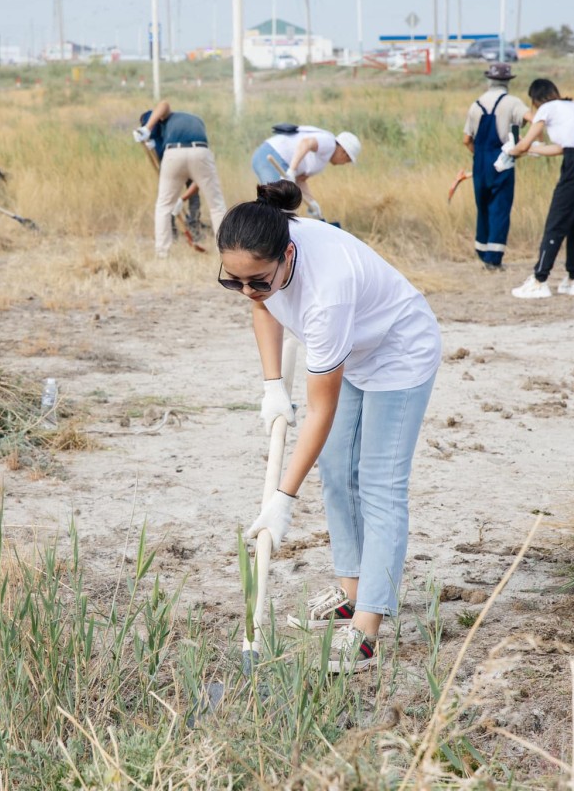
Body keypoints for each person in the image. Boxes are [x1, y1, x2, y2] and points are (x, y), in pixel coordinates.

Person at [218, 180, 441, 674]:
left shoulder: (327, 294)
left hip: (399, 351)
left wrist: (282, 499)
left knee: (380, 484)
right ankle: (350, 589)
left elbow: (319, 410)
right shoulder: (265, 241)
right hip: (354, 348)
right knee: (338, 471)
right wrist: (272, 385)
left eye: (257, 279)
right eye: (233, 281)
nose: (247, 291)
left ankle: (366, 626)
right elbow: (263, 307)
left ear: (288, 256)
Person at [506, 79, 574, 299]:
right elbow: (563, 148)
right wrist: (532, 150)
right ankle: (573, 279)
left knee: (556, 223)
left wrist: (513, 151)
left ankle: (539, 280)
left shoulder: (546, 109)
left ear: (535, 99)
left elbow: (523, 144)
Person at [133, 100, 227, 258]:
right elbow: (199, 179)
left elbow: (163, 103)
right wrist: (181, 199)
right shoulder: (195, 122)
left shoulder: (166, 117)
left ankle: (162, 253)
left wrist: (146, 128)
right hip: (201, 153)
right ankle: (225, 252)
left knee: (163, 205)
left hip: (173, 154)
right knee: (217, 205)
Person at [462, 62, 531, 271]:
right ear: (508, 81)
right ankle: (494, 258)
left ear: (489, 80)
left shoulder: (476, 104)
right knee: (499, 209)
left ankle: (482, 252)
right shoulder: (512, 102)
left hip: (481, 161)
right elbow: (531, 119)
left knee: (482, 207)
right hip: (502, 160)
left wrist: (480, 156)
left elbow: (466, 139)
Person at [250, 126, 360, 221]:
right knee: (279, 207)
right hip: (272, 155)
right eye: (348, 161)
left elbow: (300, 180)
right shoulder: (330, 142)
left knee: (282, 209)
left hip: (272, 160)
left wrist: (312, 203)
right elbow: (306, 143)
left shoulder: (322, 161)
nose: (344, 163)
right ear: (344, 153)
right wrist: (292, 170)